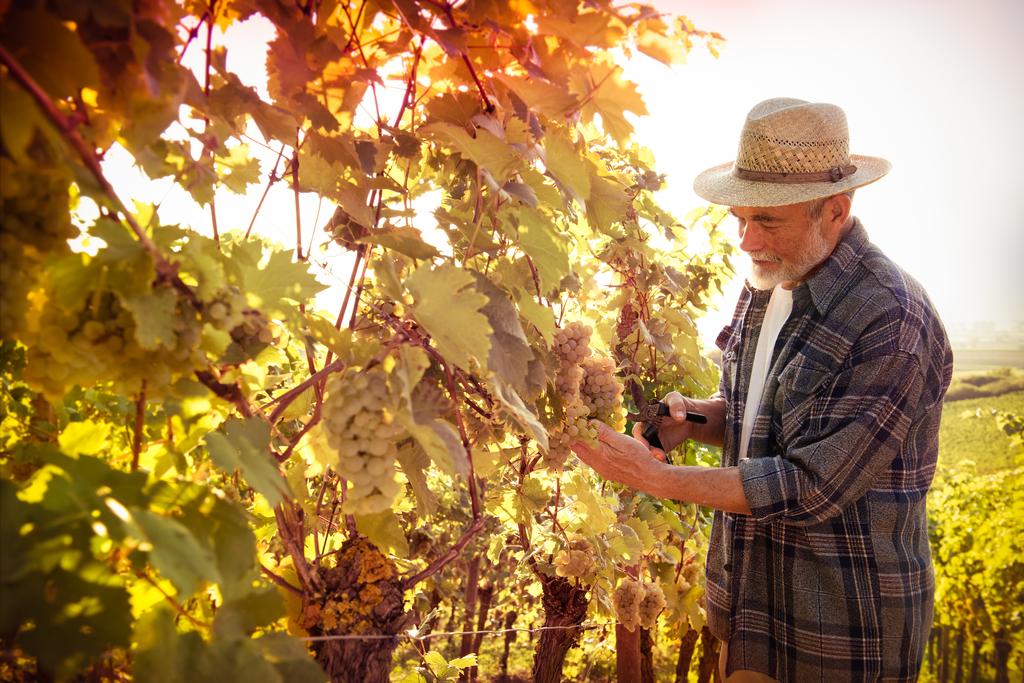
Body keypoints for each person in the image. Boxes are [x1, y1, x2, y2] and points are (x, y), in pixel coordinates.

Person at [571, 98, 953, 682]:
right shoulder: (770, 280)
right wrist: (696, 417)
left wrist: (657, 478)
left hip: (839, 631)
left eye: (767, 220)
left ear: (836, 210)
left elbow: (812, 484)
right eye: (740, 219)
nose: (747, 241)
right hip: (748, 609)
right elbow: (762, 414)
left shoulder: (893, 320)